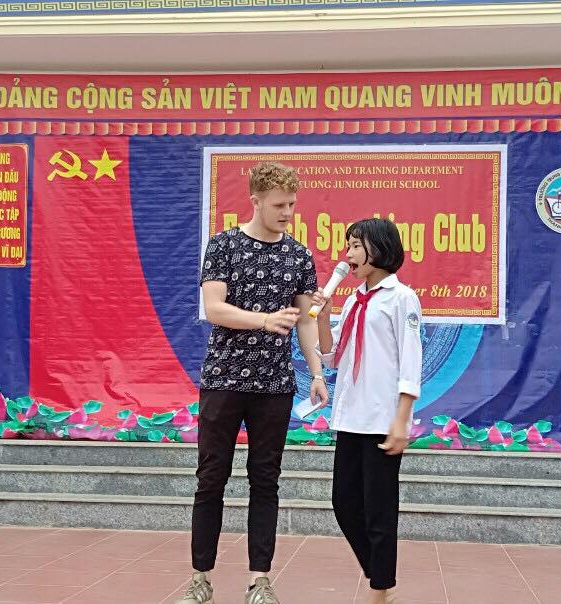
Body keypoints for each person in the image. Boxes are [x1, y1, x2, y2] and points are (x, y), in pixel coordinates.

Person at [177, 162, 326, 604]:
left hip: (275, 384)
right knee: (211, 477)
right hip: (223, 378)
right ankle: (200, 578)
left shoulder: (299, 255)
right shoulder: (223, 245)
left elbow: (305, 320)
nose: (287, 213)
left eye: (292, 205)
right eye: (279, 205)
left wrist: (317, 373)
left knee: (266, 480)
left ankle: (260, 580)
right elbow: (214, 308)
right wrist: (263, 320)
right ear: (256, 201)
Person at [312, 218, 421, 604]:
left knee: (379, 510)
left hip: (381, 419)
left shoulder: (401, 298)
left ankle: (379, 590)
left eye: (356, 246)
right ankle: (380, 575)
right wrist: (323, 317)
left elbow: (410, 362)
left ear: (380, 248)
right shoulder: (354, 301)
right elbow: (332, 356)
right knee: (343, 503)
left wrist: (401, 420)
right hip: (350, 418)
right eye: (348, 246)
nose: (348, 254)